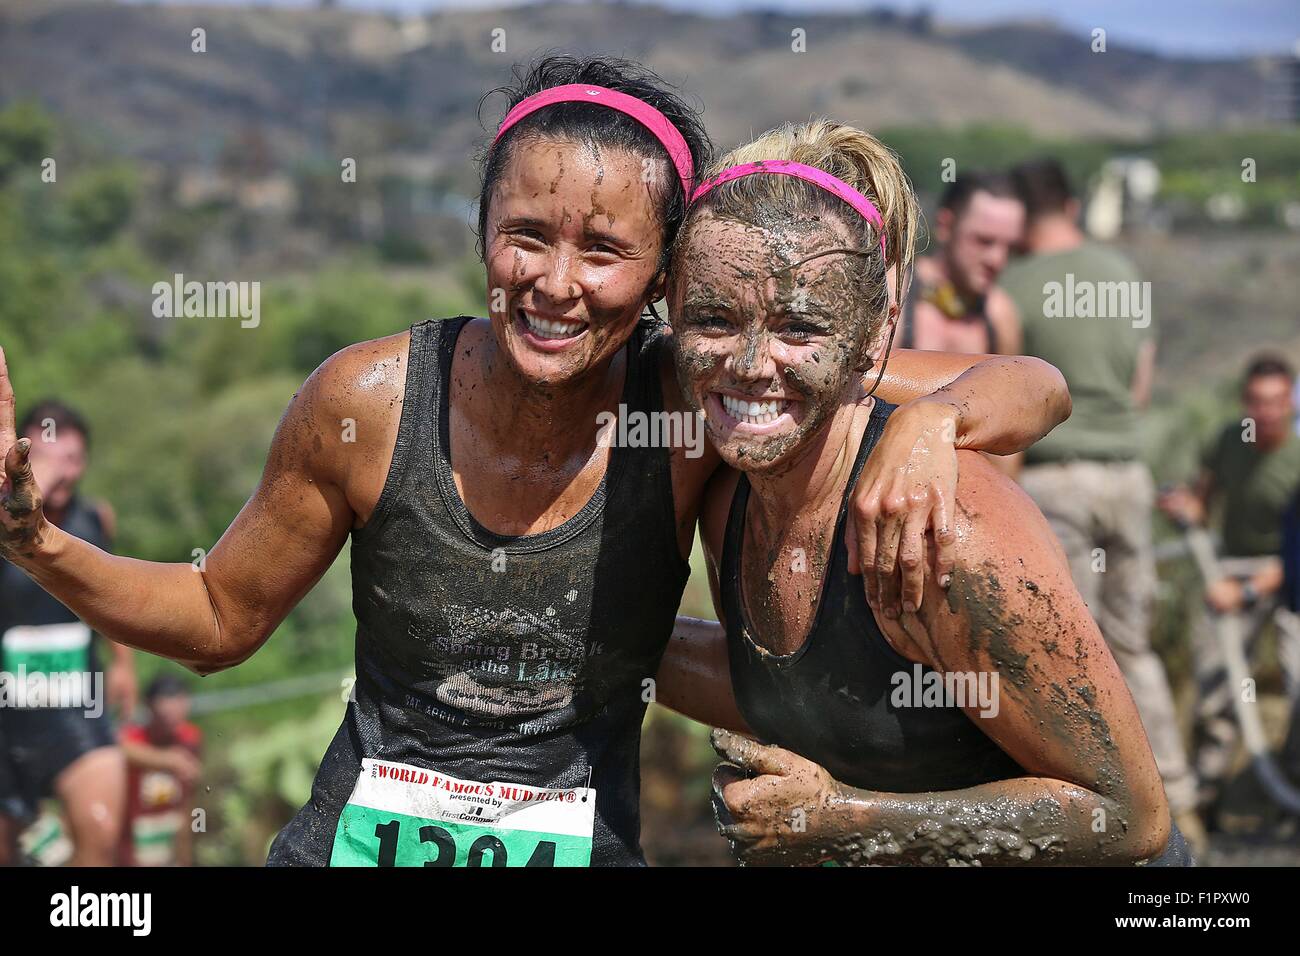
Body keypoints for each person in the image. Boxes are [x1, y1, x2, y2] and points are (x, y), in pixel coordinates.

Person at [0, 55, 1069, 867]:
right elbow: (218, 618)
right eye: (526, 234)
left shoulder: (691, 392)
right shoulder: (368, 404)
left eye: (602, 251)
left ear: (662, 280)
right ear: (480, 235)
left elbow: (1031, 385)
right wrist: (31, 537)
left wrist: (939, 423)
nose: (555, 282)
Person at [660, 119, 1185, 865]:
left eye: (798, 327)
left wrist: (836, 821)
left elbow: (1129, 818)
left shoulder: (943, 536)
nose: (749, 362)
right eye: (712, 319)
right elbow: (802, 687)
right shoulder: (732, 497)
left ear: (873, 338)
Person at [998, 157, 1201, 850]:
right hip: (1129, 476)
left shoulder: (1013, 284)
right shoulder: (1122, 273)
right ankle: (1176, 794)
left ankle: (1095, 803)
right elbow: (1141, 389)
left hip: (1059, 481)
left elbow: (1012, 391)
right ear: (1074, 206)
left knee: (1067, 652)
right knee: (1133, 643)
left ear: (1025, 214)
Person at [1159, 353, 1300, 813]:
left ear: (1291, 404)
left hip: (1288, 573)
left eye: (1278, 402)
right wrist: (1185, 508)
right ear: (1244, 403)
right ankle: (1206, 802)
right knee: (1216, 692)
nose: (1268, 413)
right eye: (1258, 402)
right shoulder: (1229, 441)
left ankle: (1289, 790)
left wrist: (1251, 590)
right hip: (1231, 568)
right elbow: (1203, 499)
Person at [0, 400, 135, 866]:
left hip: (76, 704)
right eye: (50, 458)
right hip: (7, 711)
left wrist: (123, 664)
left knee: (99, 833)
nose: (64, 471)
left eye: (74, 459)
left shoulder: (96, 518)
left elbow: (110, 596)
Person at [900, 171, 1022, 356]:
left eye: (1010, 247)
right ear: (945, 226)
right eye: (984, 241)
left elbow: (1011, 383)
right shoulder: (896, 292)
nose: (997, 260)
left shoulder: (999, 315)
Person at [118, 674, 202, 866]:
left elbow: (188, 800)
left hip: (169, 830)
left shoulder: (190, 738)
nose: (171, 715)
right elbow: (117, 748)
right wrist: (166, 760)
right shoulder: (134, 738)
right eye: (165, 707)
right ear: (150, 706)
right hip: (135, 832)